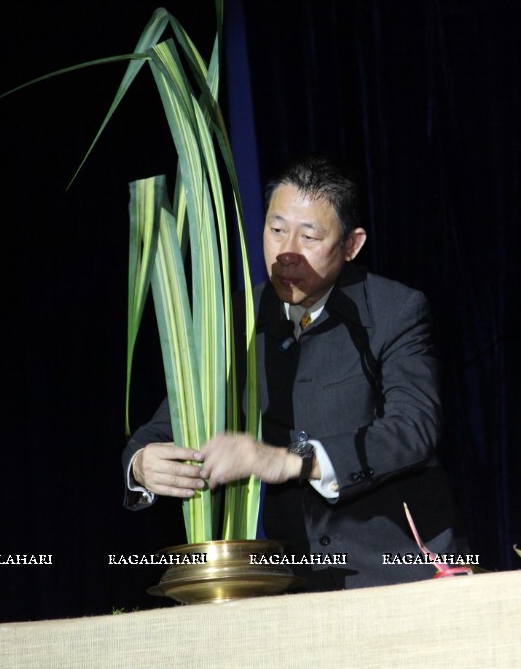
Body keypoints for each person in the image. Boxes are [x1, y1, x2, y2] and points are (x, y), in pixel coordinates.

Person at [123, 156, 463, 590]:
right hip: (298, 584)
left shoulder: (395, 310)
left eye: (309, 236)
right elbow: (171, 420)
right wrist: (141, 465)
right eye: (276, 229)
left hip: (399, 570)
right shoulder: (236, 321)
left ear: (351, 245)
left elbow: (414, 428)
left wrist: (287, 461)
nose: (287, 251)